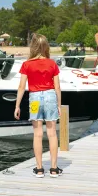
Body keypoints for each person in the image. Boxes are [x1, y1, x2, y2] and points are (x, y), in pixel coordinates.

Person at [14, 34, 62, 178]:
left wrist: (17, 106)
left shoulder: (27, 64)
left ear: (33, 47)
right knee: (52, 133)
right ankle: (53, 169)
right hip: (49, 96)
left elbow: (21, 86)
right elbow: (57, 87)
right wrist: (59, 104)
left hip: (34, 98)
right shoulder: (52, 64)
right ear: (46, 47)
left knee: (38, 133)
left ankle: (39, 168)